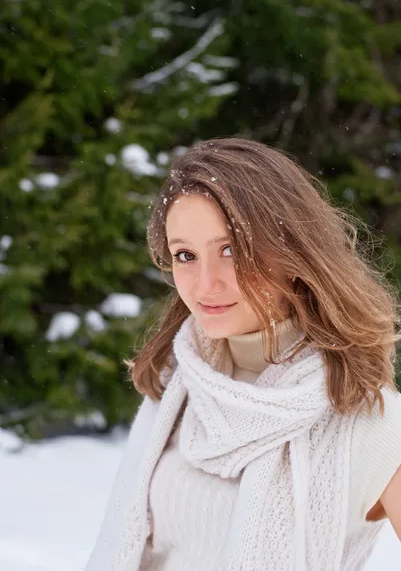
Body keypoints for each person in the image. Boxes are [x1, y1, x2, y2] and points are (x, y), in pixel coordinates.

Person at [85, 137, 401, 571]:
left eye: (231, 250)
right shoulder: (178, 386)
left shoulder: (370, 421)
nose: (205, 284)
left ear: (292, 249)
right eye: (185, 255)